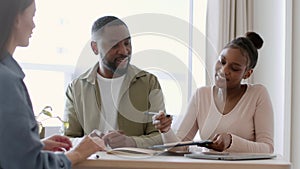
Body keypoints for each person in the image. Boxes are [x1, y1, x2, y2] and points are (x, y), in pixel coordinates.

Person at [0, 0, 106, 168]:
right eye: (32, 15)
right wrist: (78, 153)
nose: (34, 25)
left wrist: (36, 145)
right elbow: (30, 165)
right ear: (16, 19)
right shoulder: (6, 81)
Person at [154, 32, 274, 153]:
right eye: (222, 62)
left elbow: (267, 148)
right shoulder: (201, 95)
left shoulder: (258, 94)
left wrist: (231, 141)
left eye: (234, 68)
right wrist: (166, 130)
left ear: (247, 73)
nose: (224, 70)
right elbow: (179, 147)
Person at [63, 16, 165, 148]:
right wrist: (88, 141)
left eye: (127, 43)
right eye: (114, 45)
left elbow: (160, 137)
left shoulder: (149, 82)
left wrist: (131, 142)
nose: (124, 51)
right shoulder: (76, 88)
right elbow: (67, 139)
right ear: (95, 48)